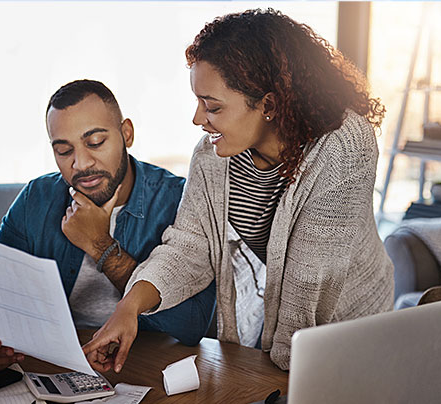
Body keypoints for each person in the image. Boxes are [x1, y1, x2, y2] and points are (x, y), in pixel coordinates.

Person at [83, 8, 394, 373]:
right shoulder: (212, 157)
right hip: (293, 342)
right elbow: (188, 248)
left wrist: (279, 379)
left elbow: (310, 278)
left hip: (355, 328)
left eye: (212, 106)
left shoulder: (343, 145)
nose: (198, 119)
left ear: (269, 104)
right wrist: (129, 308)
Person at [0, 79, 216, 372]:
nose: (81, 163)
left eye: (95, 142)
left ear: (127, 133)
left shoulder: (178, 200)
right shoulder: (37, 197)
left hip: (151, 369)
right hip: (55, 367)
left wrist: (101, 246)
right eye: (63, 150)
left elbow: (193, 326)